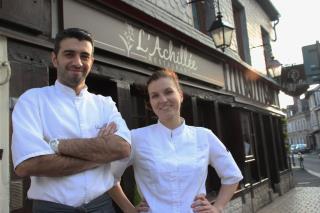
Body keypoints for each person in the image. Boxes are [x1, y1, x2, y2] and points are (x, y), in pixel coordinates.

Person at [11, 28, 131, 213]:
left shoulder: (105, 104)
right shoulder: (33, 100)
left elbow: (122, 148)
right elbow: (28, 164)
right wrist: (101, 155)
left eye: (85, 56)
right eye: (69, 54)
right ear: (54, 59)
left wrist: (56, 146)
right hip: (52, 209)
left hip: (102, 206)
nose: (77, 62)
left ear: (92, 61)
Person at [107, 68, 243, 213]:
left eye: (168, 92)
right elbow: (109, 178)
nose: (163, 100)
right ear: (151, 102)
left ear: (181, 95)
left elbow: (232, 175)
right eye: (155, 96)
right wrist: (129, 210)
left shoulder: (204, 136)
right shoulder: (136, 138)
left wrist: (217, 208)